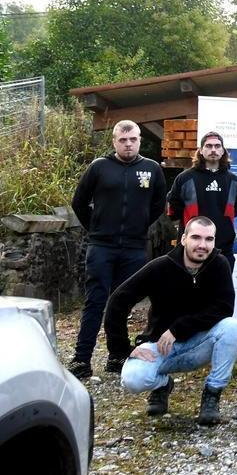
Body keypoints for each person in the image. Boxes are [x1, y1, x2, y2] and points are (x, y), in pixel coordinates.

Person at [106, 217, 237, 424]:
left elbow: (224, 308)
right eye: (196, 237)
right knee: (132, 379)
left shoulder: (219, 265)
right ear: (183, 239)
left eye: (209, 239)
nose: (202, 245)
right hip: (162, 346)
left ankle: (212, 394)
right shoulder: (160, 267)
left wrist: (178, 329)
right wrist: (122, 348)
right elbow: (118, 301)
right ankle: (162, 385)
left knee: (231, 327)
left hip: (199, 344)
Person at [68, 119, 167, 380]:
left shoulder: (152, 169)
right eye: (123, 140)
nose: (128, 144)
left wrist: (138, 226)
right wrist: (96, 229)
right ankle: (81, 359)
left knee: (121, 303)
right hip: (101, 246)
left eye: (133, 139)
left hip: (134, 248)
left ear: (139, 140)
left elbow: (158, 205)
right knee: (95, 302)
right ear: (114, 142)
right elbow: (79, 202)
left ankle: (117, 355)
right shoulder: (99, 167)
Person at [166, 131, 237, 271]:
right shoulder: (184, 178)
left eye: (217, 146)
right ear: (201, 150)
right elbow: (173, 211)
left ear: (223, 151)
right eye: (208, 146)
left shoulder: (234, 181)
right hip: (191, 250)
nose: (213, 149)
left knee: (221, 286)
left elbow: (235, 211)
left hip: (224, 250)